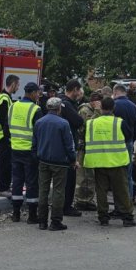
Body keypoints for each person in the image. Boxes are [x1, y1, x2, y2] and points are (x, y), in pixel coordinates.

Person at [83, 97, 136, 227]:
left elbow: (85, 137)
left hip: (98, 162)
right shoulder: (119, 123)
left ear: (101, 108)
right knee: (122, 190)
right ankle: (127, 218)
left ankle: (103, 217)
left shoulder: (91, 123)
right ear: (114, 108)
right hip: (116, 162)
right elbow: (129, 137)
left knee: (101, 191)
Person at [32, 97, 77, 231]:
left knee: (43, 190)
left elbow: (34, 143)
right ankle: (55, 221)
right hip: (60, 163)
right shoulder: (63, 123)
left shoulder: (39, 122)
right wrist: (73, 159)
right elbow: (69, 145)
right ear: (59, 108)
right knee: (58, 191)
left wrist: (37, 157)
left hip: (43, 161)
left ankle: (42, 221)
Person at [9, 82, 43, 223]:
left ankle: (16, 214)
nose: (38, 96)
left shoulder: (13, 106)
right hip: (30, 151)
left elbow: (7, 126)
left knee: (16, 182)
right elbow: (39, 132)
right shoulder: (35, 109)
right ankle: (32, 215)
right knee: (31, 183)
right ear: (33, 93)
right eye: (38, 93)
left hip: (15, 149)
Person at [57, 79, 85, 217]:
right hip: (67, 147)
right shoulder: (67, 104)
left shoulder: (61, 102)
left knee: (62, 179)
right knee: (69, 178)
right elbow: (79, 121)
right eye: (79, 90)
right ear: (74, 90)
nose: (80, 93)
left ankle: (62, 205)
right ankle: (66, 207)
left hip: (60, 146)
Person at [74, 91, 103, 211]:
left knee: (90, 175)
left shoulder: (95, 110)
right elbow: (89, 127)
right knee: (83, 176)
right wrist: (97, 111)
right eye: (99, 102)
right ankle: (81, 200)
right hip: (84, 147)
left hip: (92, 147)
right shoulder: (85, 111)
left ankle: (89, 200)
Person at [112, 84, 136, 199]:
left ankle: (119, 203)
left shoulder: (113, 106)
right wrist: (131, 140)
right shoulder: (134, 107)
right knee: (127, 174)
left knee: (115, 175)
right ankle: (129, 200)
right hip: (128, 143)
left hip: (114, 144)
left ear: (115, 93)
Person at [0, 75, 19, 198]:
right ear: (13, 84)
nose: (18, 88)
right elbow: (4, 121)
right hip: (3, 137)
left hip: (1, 136)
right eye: (17, 85)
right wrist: (8, 136)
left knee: (5, 162)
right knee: (4, 163)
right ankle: (3, 188)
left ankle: (4, 187)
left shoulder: (3, 97)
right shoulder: (4, 98)